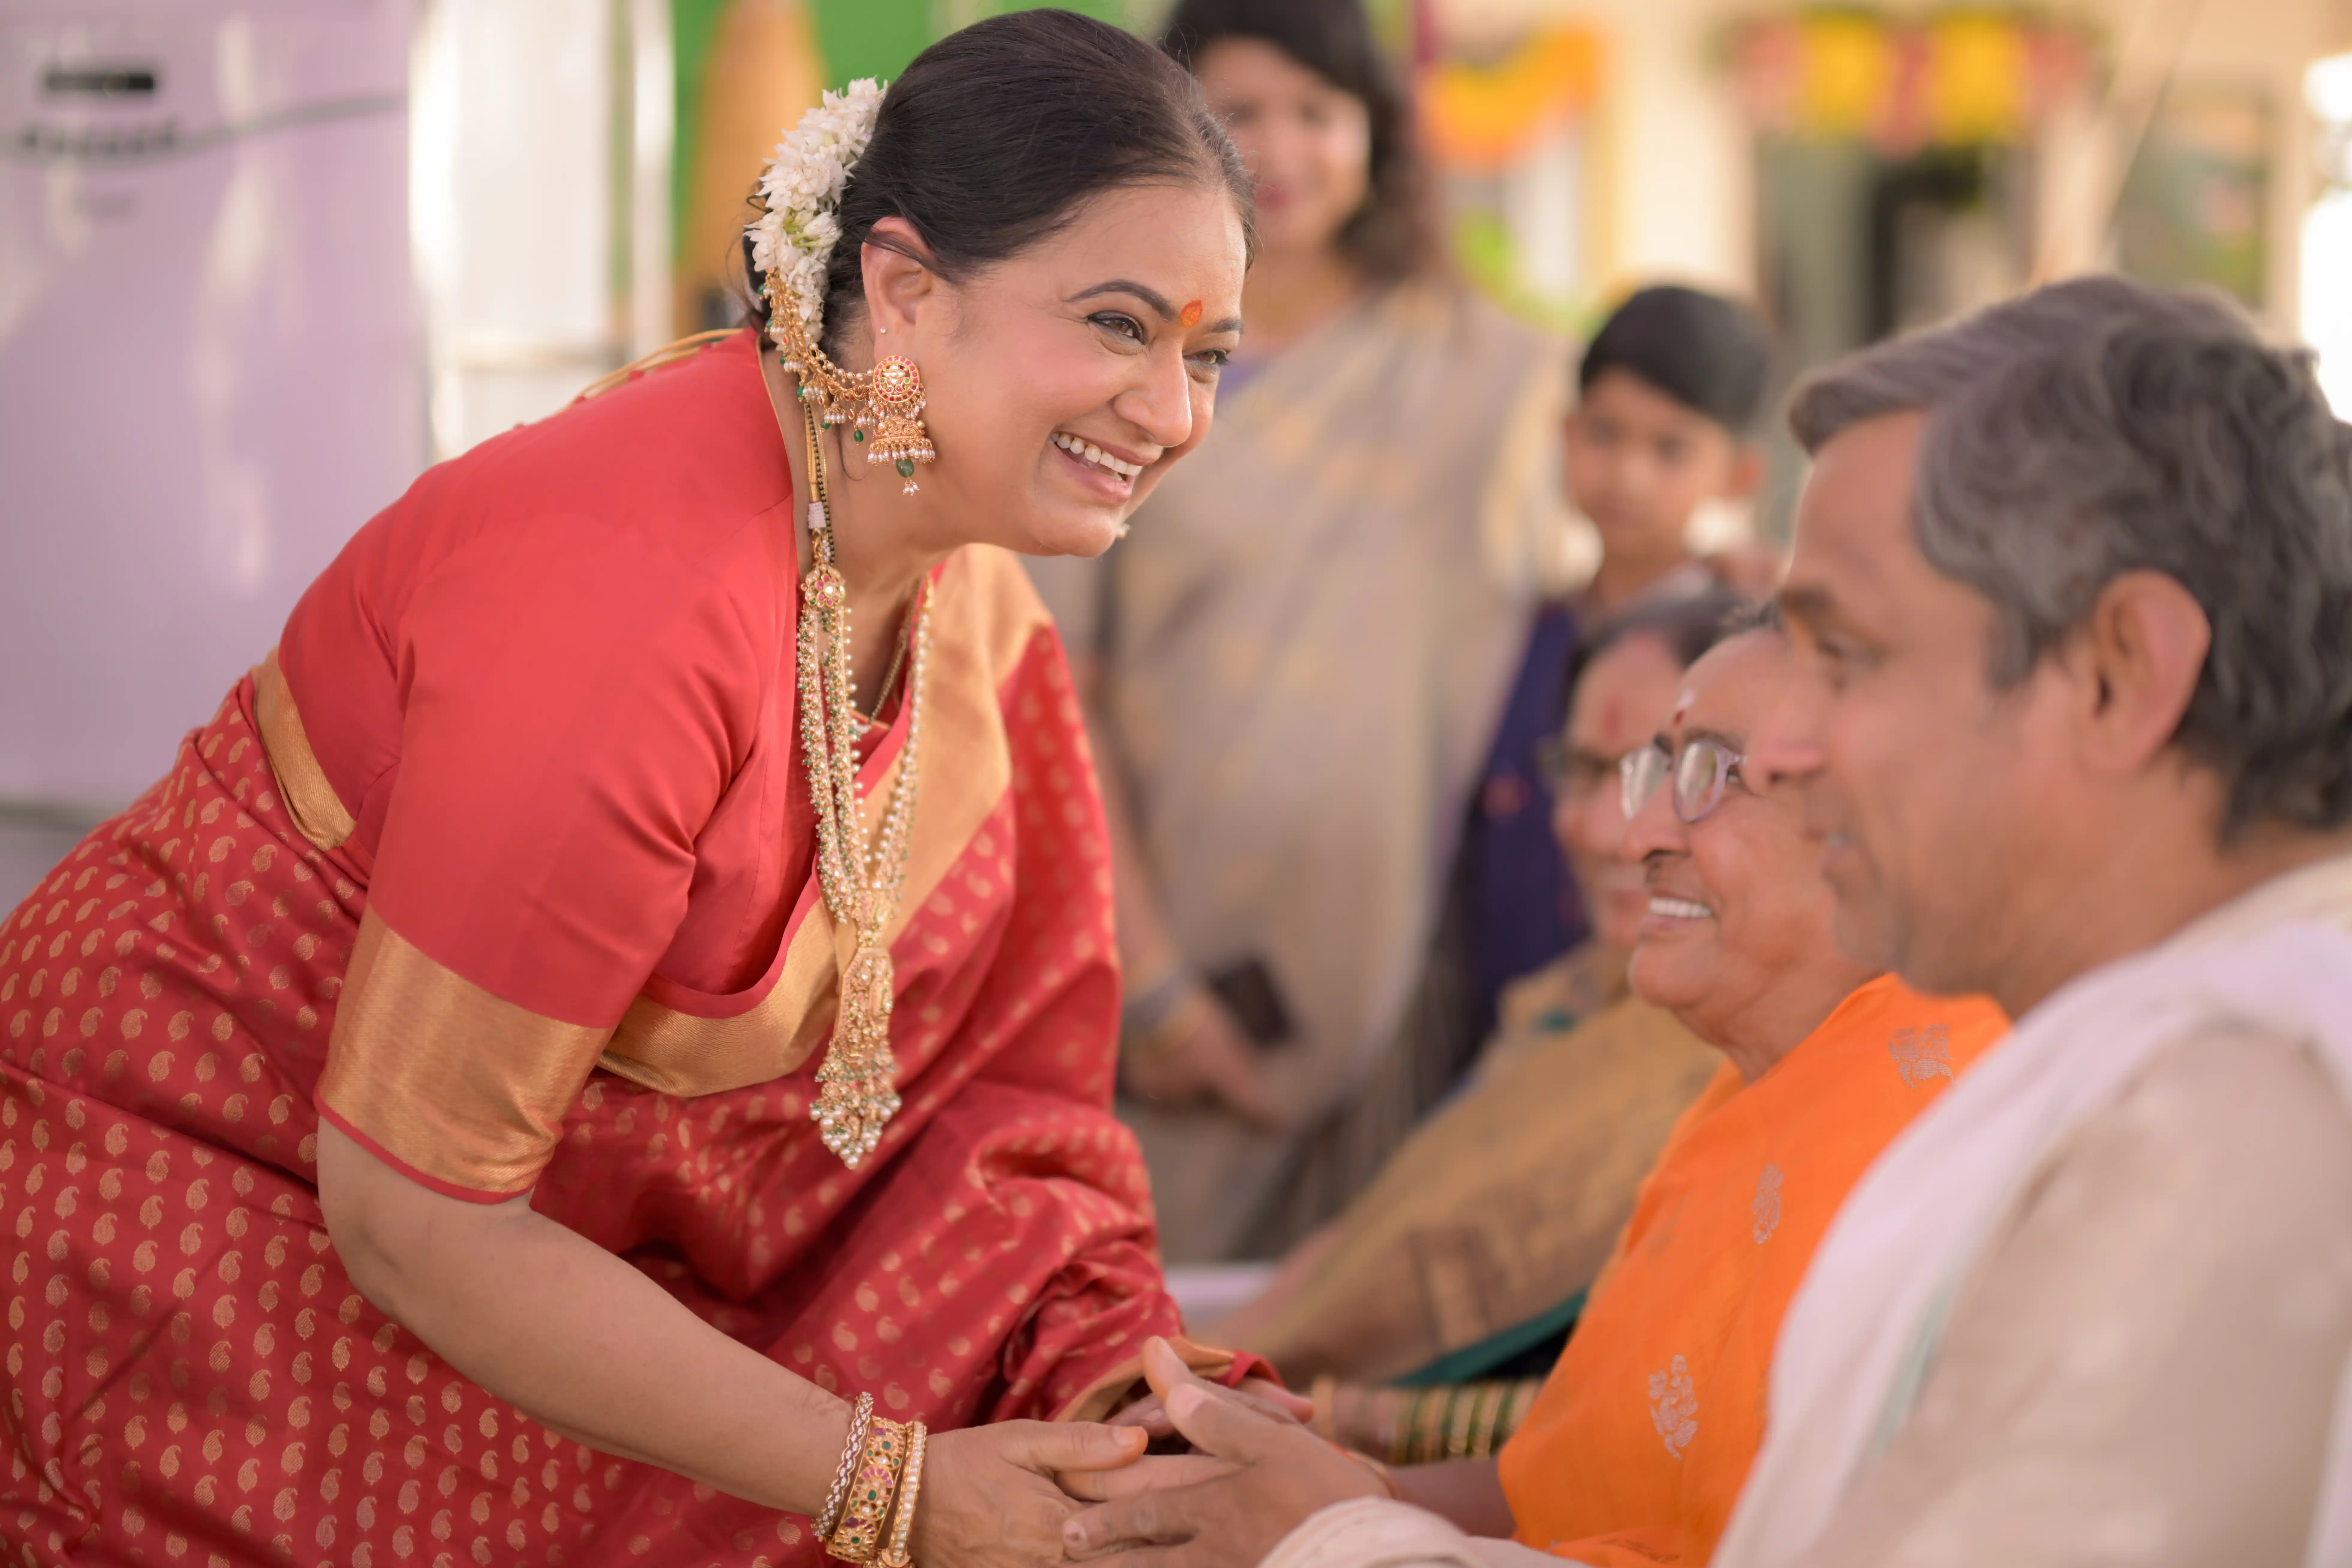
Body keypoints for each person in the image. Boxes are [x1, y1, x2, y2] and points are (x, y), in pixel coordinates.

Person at [0, 14, 1271, 1566]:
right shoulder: (626, 603)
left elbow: (988, 1104)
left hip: (591, 1260)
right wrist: (902, 1489)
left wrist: (1110, 1379)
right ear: (906, 291)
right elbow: (421, 1218)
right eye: (1121, 326)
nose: (1174, 412)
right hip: (215, 1263)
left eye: (1205, 353)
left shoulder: (966, 600)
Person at [1059, 626, 2009, 1568]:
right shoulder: (1740, 1106)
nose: (1633, 835)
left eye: (1712, 775)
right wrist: (1308, 1483)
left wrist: (1331, 1528)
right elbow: (1545, 1486)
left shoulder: (1951, 1151)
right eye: (1650, 772)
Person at [1708, 279, 2352, 1567]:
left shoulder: (2221, 1125)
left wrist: (1337, 1540)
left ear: (2119, 672)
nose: (1776, 747)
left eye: (1845, 654)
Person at [1026, 0, 1570, 1263]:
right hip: (1142, 972)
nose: (1277, 148)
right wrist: (1150, 986)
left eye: (1313, 113)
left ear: (1376, 134)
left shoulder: (1489, 375)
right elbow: (1052, 680)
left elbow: (1583, 574)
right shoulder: (1101, 362)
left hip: (1399, 977)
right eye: (1234, 115)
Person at [1203, 591, 1746, 1396]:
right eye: (1586, 771)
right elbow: (1363, 1255)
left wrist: (1339, 1427)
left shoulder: (1743, 1053)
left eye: (1662, 773)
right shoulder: (1560, 1006)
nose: (1607, 829)